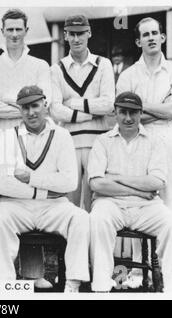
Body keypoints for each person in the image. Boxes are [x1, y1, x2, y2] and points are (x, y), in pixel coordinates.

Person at [0, 85, 90, 293]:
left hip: (53, 206)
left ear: (45, 104)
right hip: (17, 205)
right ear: (19, 110)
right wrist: (46, 188)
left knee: (80, 218)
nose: (31, 112)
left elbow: (70, 182)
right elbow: (3, 184)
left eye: (35, 105)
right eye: (25, 108)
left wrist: (31, 178)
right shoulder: (8, 137)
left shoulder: (62, 135)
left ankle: (72, 284)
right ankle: (4, 286)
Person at [88, 91, 172, 292]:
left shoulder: (154, 142)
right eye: (123, 112)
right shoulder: (103, 141)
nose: (128, 118)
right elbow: (97, 185)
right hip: (110, 203)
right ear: (115, 113)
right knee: (98, 219)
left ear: (141, 113)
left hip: (146, 206)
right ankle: (101, 287)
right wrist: (139, 189)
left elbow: (157, 181)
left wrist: (116, 178)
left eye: (133, 113)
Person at [50, 14, 115, 211]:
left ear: (89, 33)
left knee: (96, 202)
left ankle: (94, 243)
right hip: (68, 142)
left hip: (98, 142)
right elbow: (55, 110)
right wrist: (88, 113)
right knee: (69, 202)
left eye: (81, 33)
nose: (77, 39)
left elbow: (108, 104)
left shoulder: (103, 64)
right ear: (65, 36)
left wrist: (75, 103)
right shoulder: (56, 69)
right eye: (72, 34)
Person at [116, 17, 172, 212]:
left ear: (163, 37)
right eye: (145, 35)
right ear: (138, 42)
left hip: (170, 141)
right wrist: (163, 109)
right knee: (141, 203)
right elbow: (125, 116)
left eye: (154, 33)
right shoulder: (128, 75)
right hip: (138, 142)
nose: (151, 38)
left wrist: (139, 106)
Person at [0, 8, 52, 135]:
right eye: (10, 29)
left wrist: (5, 98)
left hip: (32, 136)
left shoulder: (41, 65)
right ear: (2, 31)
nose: (14, 34)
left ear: (26, 31)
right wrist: (29, 108)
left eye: (18, 29)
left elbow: (44, 103)